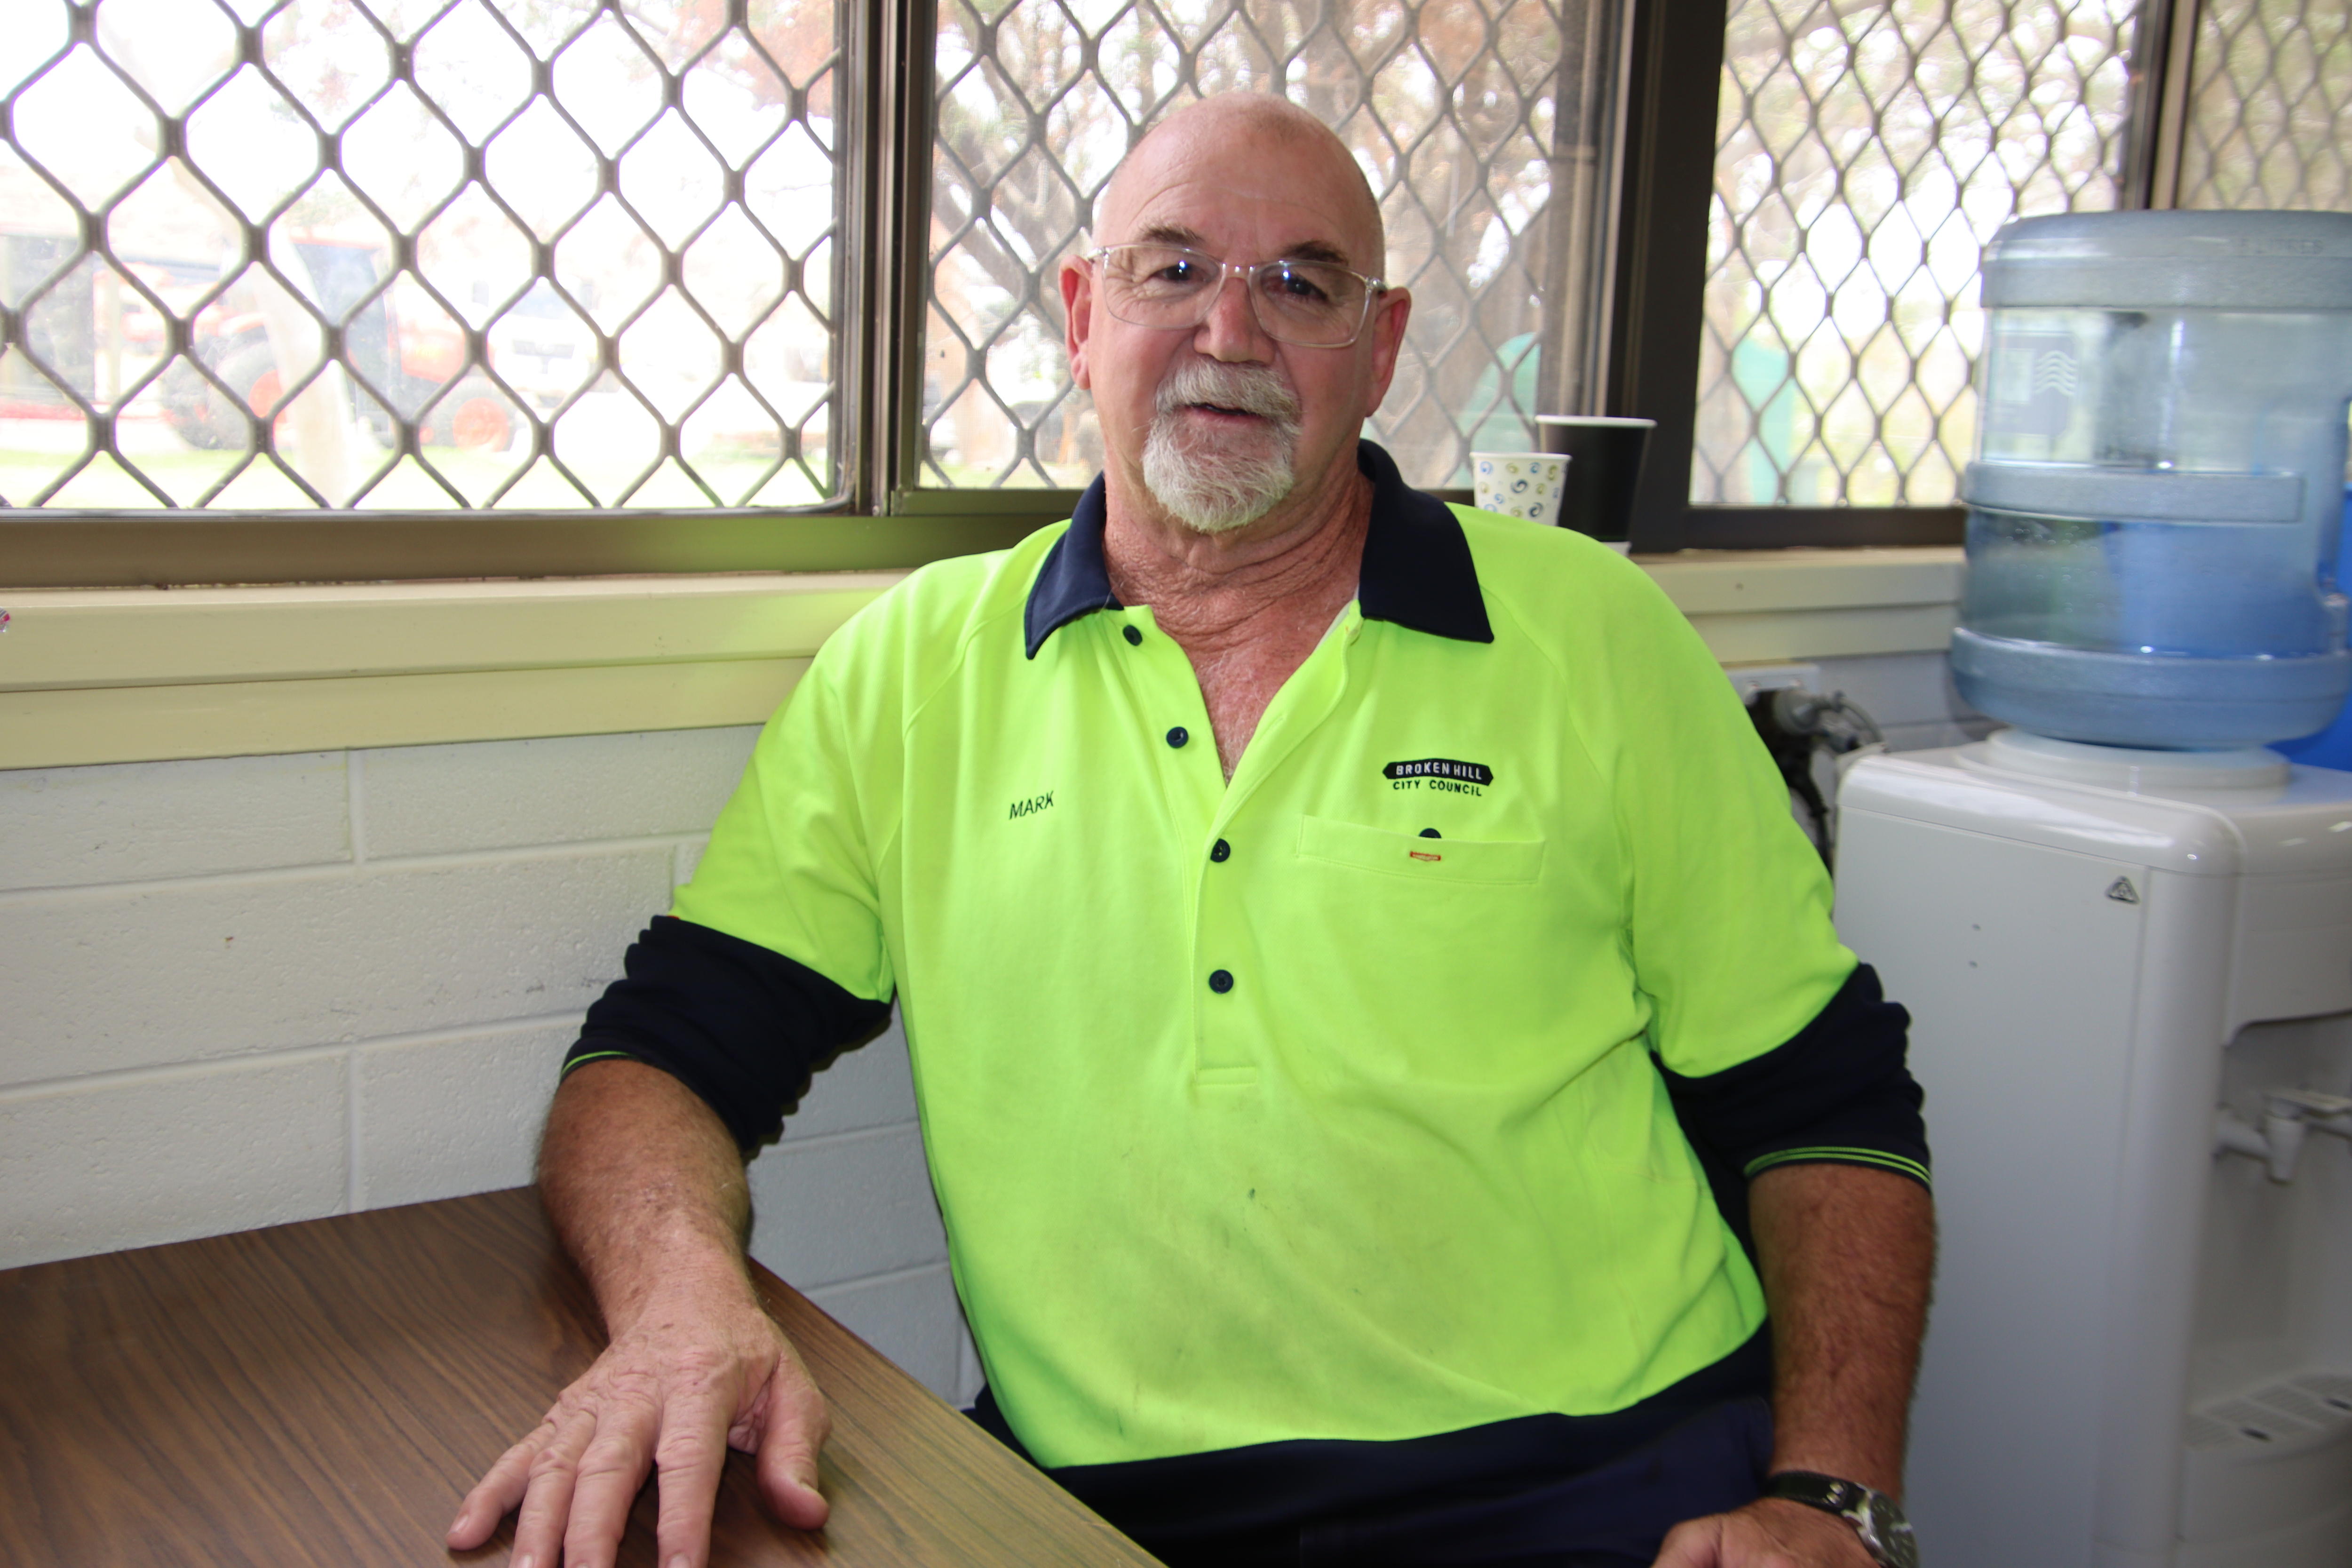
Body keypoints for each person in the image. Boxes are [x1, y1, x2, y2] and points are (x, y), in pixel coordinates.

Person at [447, 94, 1933, 1568]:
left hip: (1615, 1483)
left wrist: (1836, 1500)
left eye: (1303, 283)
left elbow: (1828, 1102)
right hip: (1111, 1511)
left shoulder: (1595, 634)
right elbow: (659, 1055)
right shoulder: (912, 674)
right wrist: (682, 1301)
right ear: (1084, 316)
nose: (1233, 332)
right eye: (1174, 269)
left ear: (1384, 347)